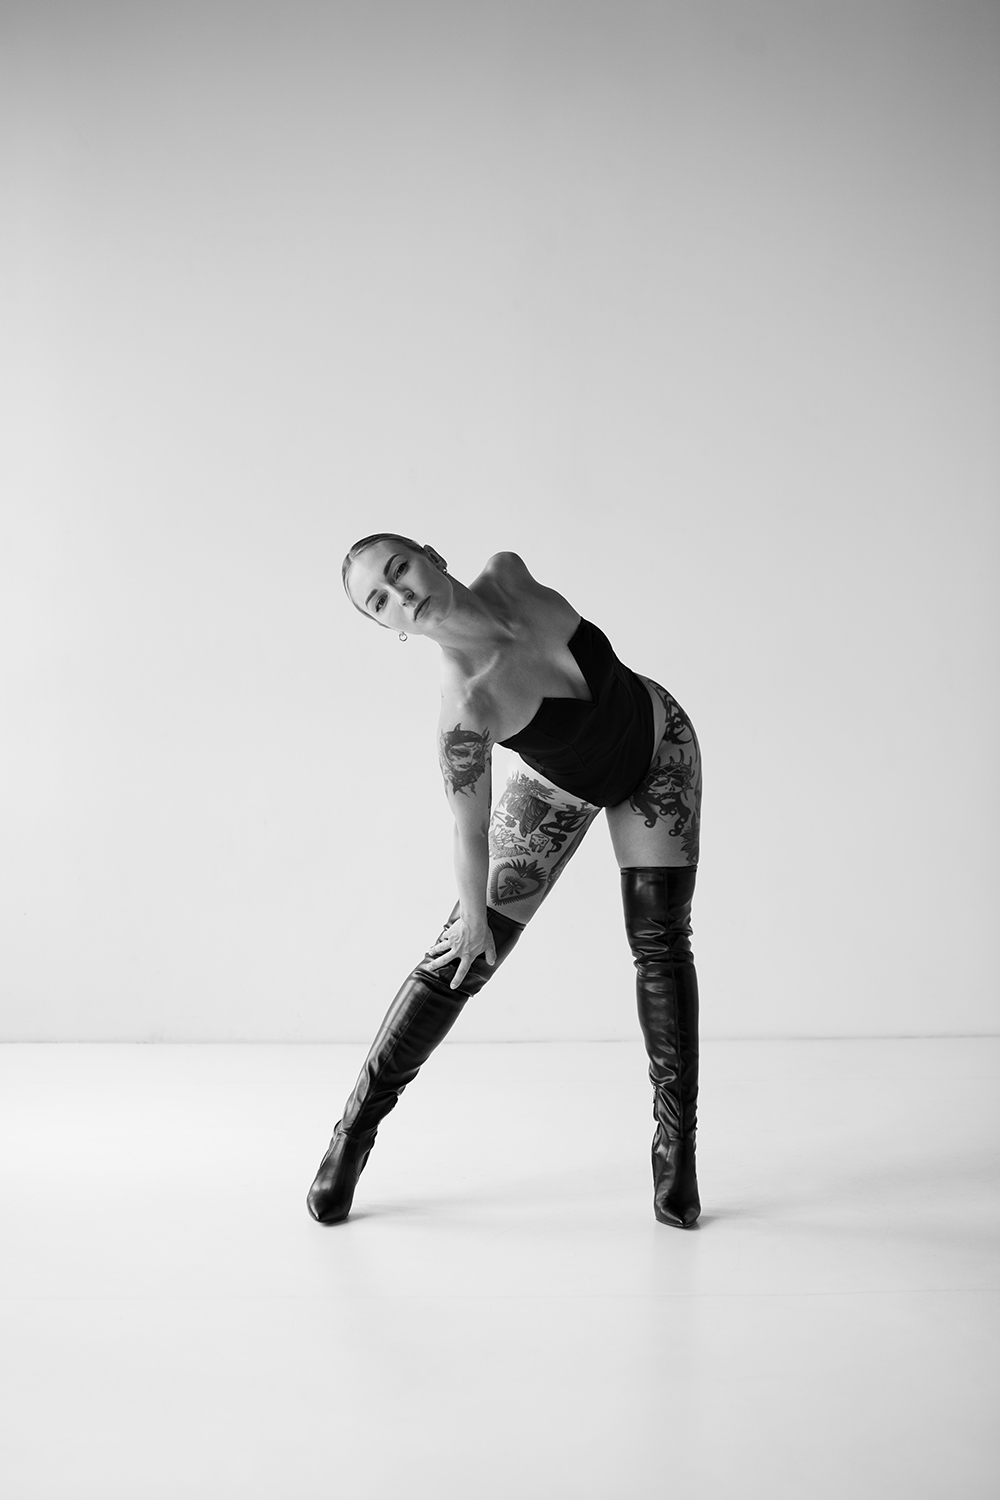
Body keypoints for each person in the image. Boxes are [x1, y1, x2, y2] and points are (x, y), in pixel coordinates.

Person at [307, 534, 703, 1228]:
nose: (402, 594)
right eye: (380, 601)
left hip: (659, 743)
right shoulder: (466, 706)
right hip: (564, 788)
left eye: (400, 569)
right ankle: (352, 1137)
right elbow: (469, 831)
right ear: (387, 628)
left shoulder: (510, 574)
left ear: (431, 555)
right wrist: (473, 919)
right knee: (462, 958)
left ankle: (676, 1151)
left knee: (660, 938)